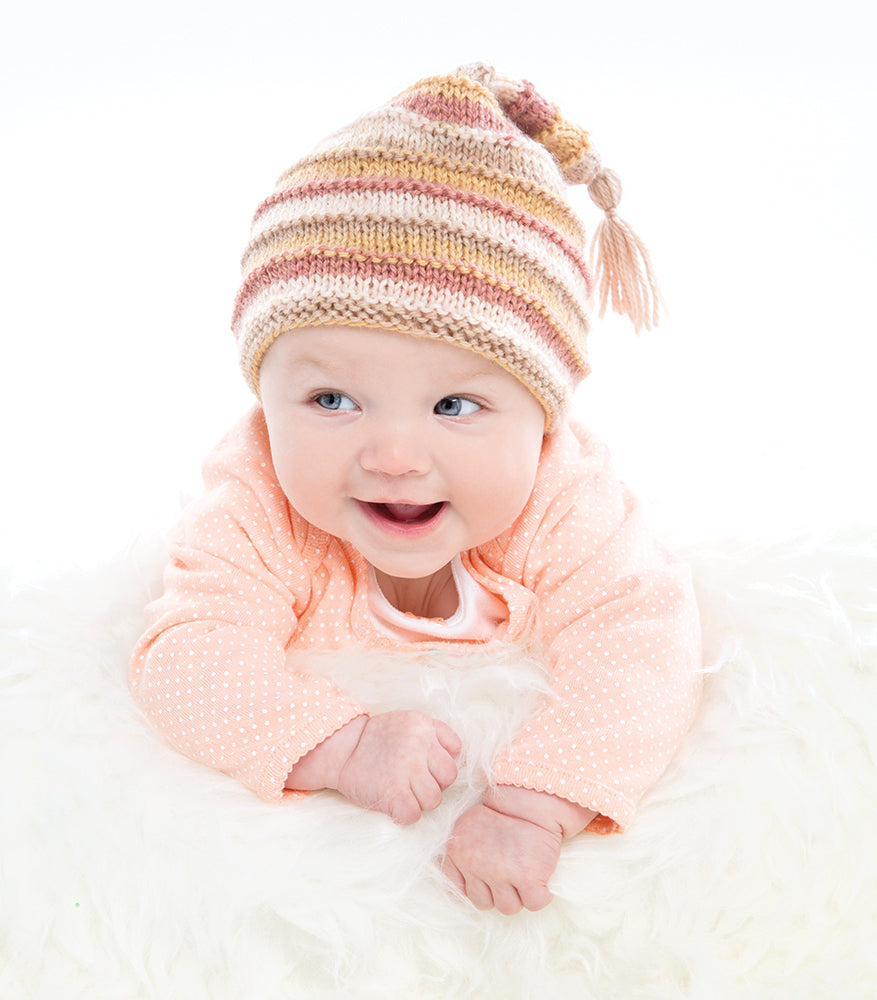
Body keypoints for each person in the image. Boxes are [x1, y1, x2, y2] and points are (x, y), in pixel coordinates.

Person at [130, 63, 702, 916]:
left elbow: (643, 641)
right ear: (264, 397)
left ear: (542, 416)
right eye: (331, 400)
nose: (393, 455)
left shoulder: (564, 498)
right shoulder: (257, 499)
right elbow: (185, 655)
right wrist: (338, 743)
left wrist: (534, 802)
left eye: (455, 404)